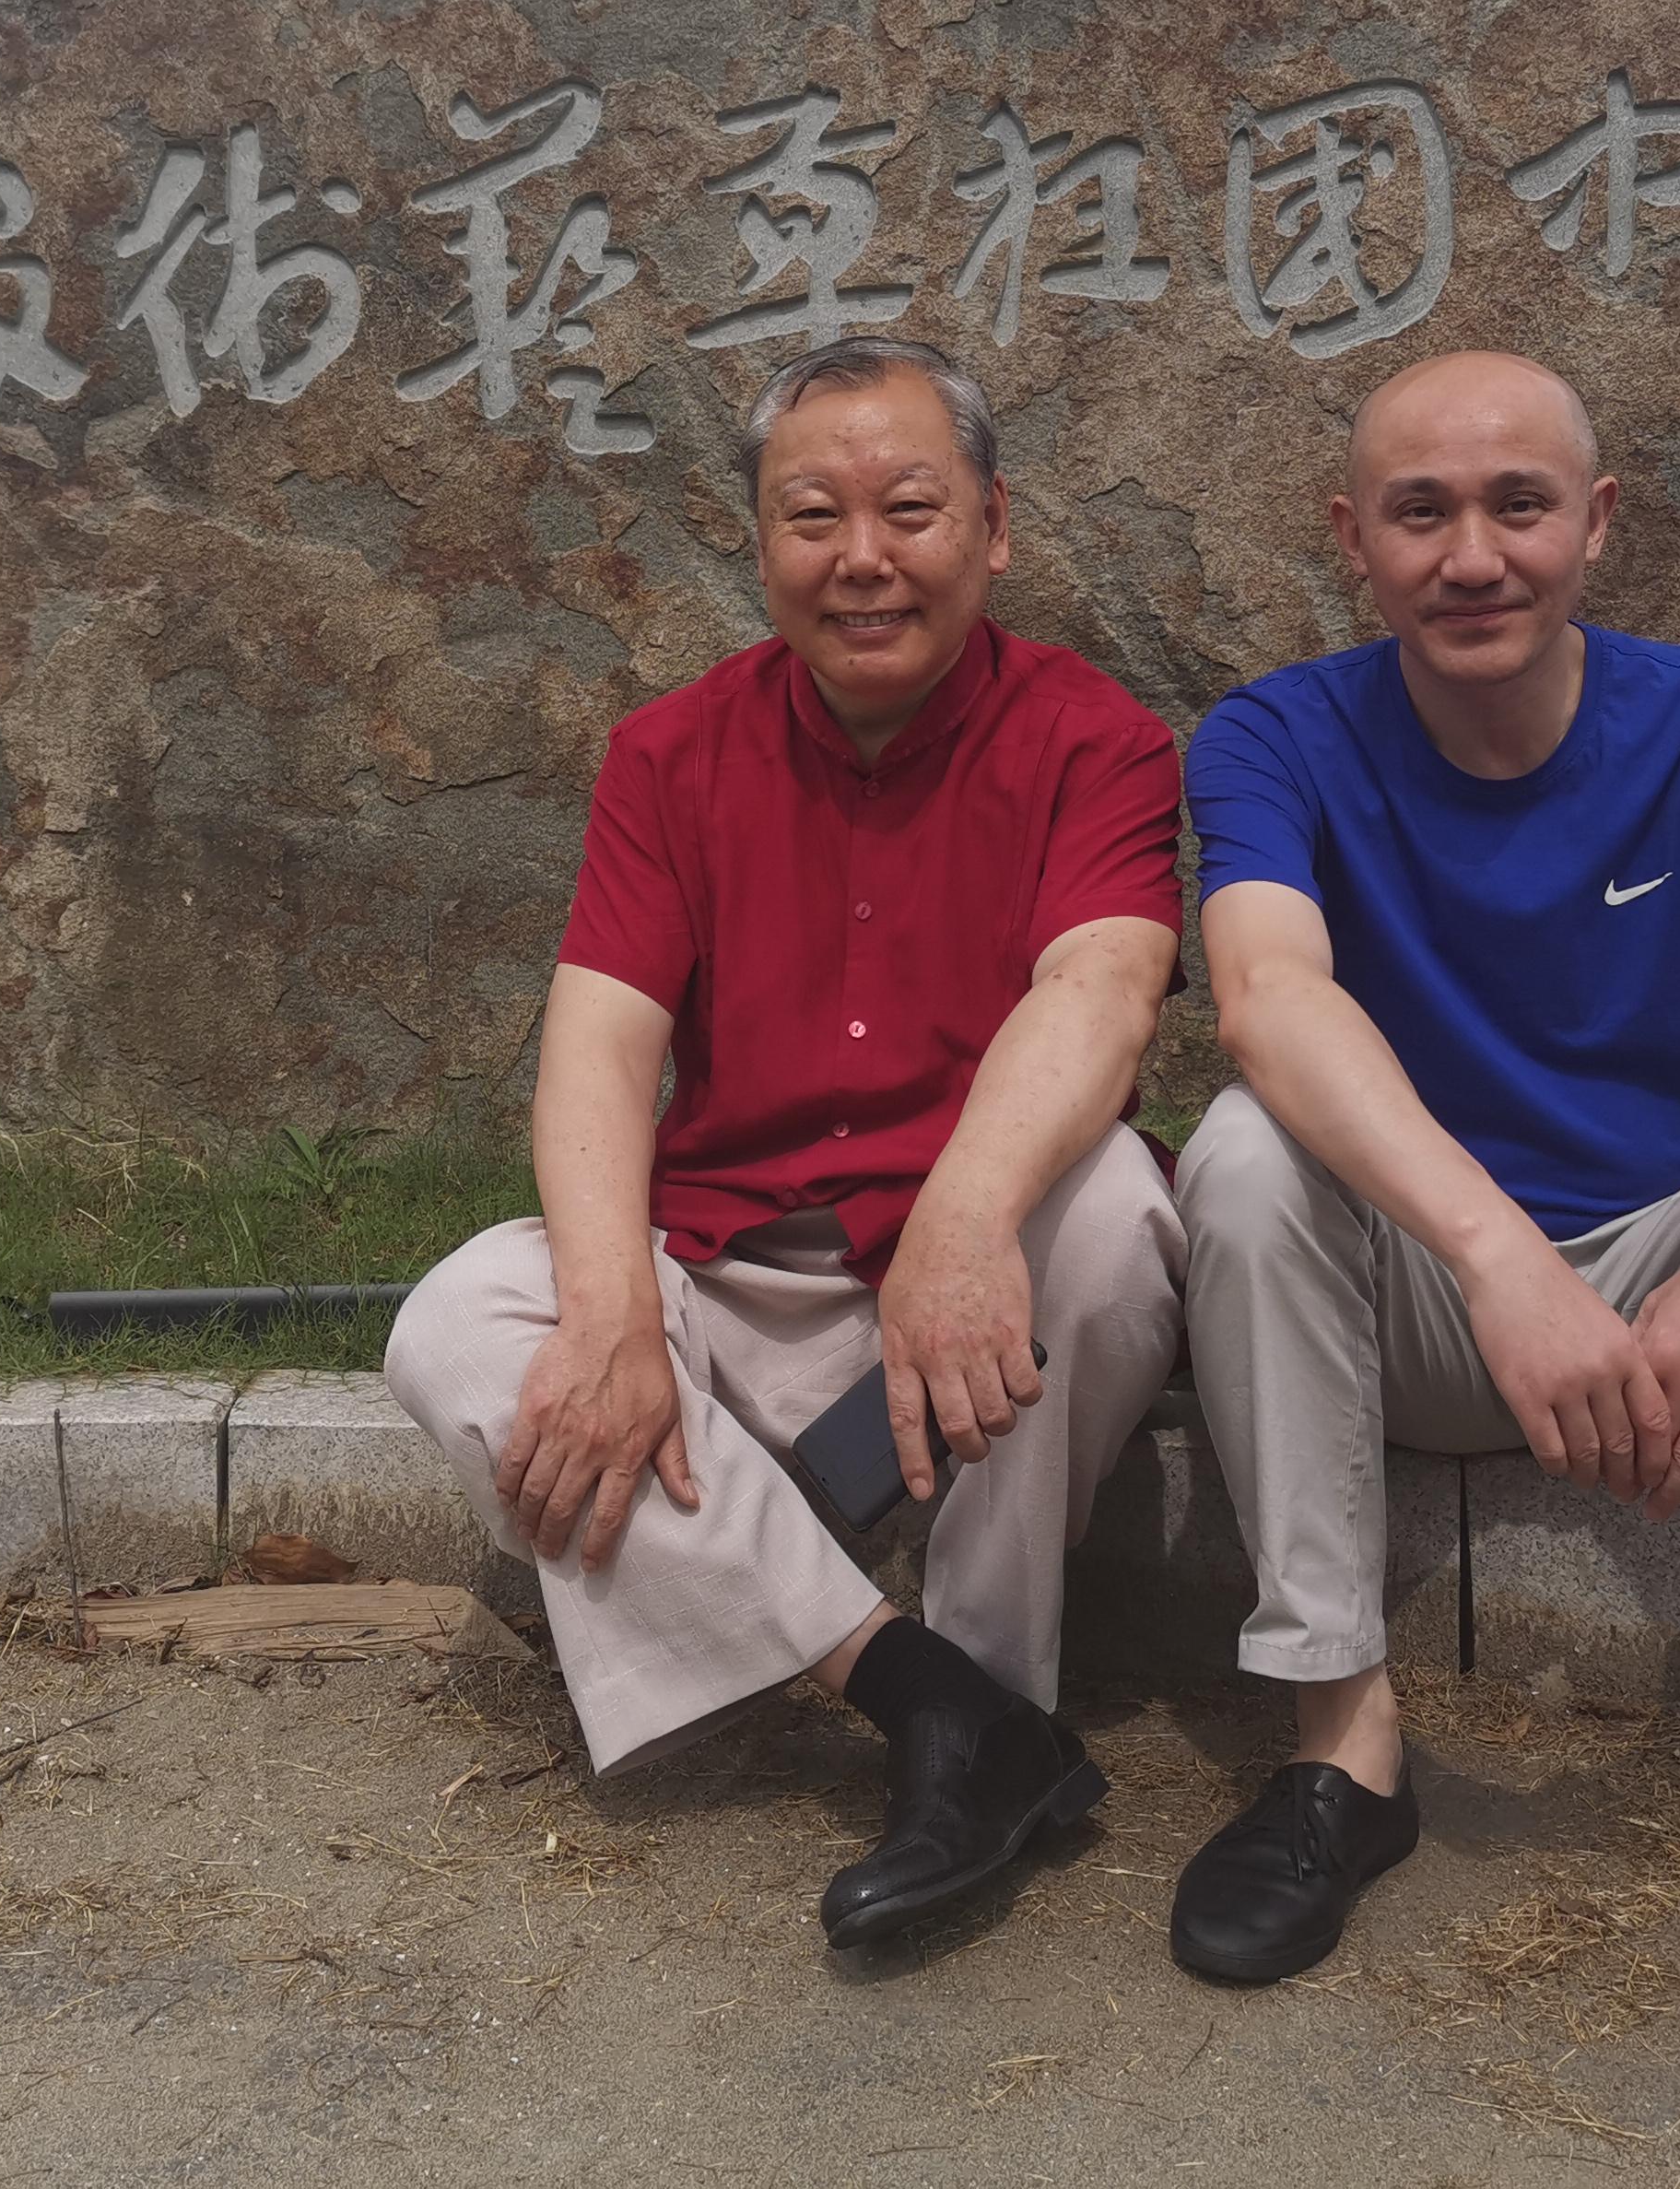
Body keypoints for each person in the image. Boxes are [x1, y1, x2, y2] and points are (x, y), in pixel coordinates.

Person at [1166, 349, 1680, 2057]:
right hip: (1428, 1295)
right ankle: (1341, 1746)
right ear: (1351, 535)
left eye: (1520, 505)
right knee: (1244, 1151)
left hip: (1676, 1300)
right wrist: (1492, 1253)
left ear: (1598, 521)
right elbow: (1266, 996)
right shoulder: (1274, 735)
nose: (1473, 557)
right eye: (1421, 512)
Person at [383, 338, 1187, 1949]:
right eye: (814, 517)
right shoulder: (670, 754)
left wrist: (965, 1214)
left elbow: (1100, 993)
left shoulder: (1097, 740)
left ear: (994, 529)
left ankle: (989, 1674)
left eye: (911, 510)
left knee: (1109, 1219)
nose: (862, 558)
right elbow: (601, 1046)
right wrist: (614, 1310)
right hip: (735, 1274)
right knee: (459, 1321)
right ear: (759, 546)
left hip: (968, 1273)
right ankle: (933, 1704)